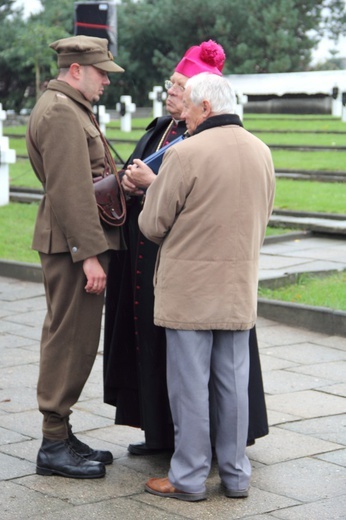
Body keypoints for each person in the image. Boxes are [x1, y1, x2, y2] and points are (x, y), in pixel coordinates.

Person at [103, 41, 269, 457]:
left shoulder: (192, 145)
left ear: (204, 102)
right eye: (173, 84)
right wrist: (128, 183)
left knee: (191, 377)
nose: (173, 92)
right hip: (224, 277)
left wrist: (150, 188)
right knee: (218, 374)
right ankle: (203, 454)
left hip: (185, 275)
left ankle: (191, 464)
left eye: (181, 86)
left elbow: (165, 214)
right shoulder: (251, 147)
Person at [139, 73, 275, 501]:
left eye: (192, 109)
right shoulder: (262, 151)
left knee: (190, 386)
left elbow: (151, 224)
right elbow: (264, 218)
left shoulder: (185, 153)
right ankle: (236, 477)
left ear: (206, 108)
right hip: (237, 285)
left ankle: (189, 477)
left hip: (189, 290)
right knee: (234, 385)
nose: (188, 117)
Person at [26, 35, 125, 479]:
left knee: (75, 338)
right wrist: (89, 256)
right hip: (74, 246)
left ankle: (61, 433)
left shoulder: (68, 106)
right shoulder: (62, 112)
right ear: (76, 70)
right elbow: (69, 191)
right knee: (70, 340)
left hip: (72, 241)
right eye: (101, 71)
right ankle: (52, 442)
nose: (106, 80)